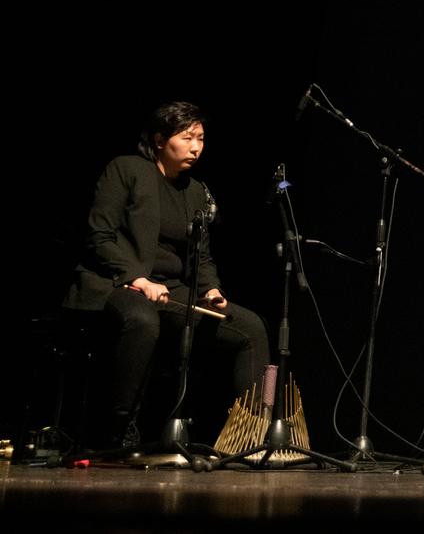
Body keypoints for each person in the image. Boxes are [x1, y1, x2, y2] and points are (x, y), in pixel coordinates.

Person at [64, 101, 270, 449]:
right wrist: (138, 279)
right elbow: (100, 236)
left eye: (201, 139)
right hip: (116, 283)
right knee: (143, 320)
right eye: (187, 137)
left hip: (170, 290)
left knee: (250, 328)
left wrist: (212, 289)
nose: (196, 147)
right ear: (160, 139)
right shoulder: (127, 169)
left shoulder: (193, 191)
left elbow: (200, 255)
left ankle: (252, 438)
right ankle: (117, 432)